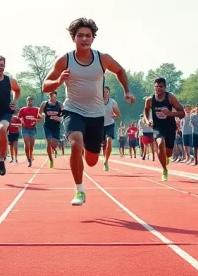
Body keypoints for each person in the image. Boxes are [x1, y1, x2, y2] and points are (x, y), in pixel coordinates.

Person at [42, 18, 134, 206]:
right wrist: (59, 80)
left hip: (96, 114)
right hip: (73, 110)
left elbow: (120, 71)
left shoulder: (102, 58)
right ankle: (79, 190)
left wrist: (126, 90)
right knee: (76, 144)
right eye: (80, 35)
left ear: (93, 38)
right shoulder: (65, 59)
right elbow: (45, 85)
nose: (85, 39)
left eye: (88, 36)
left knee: (91, 160)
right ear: (73, 38)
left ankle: (85, 150)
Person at [143, 77, 185, 181]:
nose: (158, 89)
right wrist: (147, 121)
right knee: (160, 143)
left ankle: (166, 158)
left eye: (161, 86)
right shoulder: (150, 100)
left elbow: (182, 113)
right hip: (157, 127)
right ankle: (164, 170)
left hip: (170, 127)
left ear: (165, 87)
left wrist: (170, 113)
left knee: (168, 152)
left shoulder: (170, 98)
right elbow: (146, 111)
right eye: (156, 87)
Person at [40, 91, 63, 168]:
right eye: (50, 95)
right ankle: (51, 160)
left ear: (56, 96)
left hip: (56, 127)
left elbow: (64, 114)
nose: (51, 96)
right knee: (49, 142)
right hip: (47, 126)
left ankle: (55, 149)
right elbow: (40, 113)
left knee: (54, 144)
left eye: (53, 95)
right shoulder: (44, 104)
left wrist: (59, 118)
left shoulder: (59, 104)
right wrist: (42, 115)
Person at [101, 86, 121, 171]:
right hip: (100, 125)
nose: (105, 93)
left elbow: (118, 115)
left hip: (110, 124)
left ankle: (106, 161)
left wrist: (114, 115)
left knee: (109, 140)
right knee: (104, 144)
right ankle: (104, 157)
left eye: (107, 92)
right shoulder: (97, 101)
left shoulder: (112, 102)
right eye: (104, 92)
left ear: (109, 93)